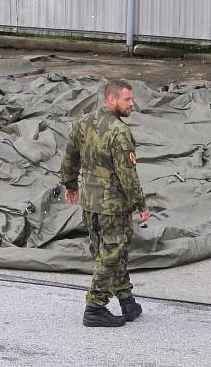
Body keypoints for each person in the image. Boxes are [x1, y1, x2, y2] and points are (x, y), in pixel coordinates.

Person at [60, 79, 151, 327]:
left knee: (110, 251)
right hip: (113, 206)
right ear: (111, 100)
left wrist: (69, 184)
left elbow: (70, 155)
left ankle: (126, 301)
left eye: (132, 99)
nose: (132, 104)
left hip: (90, 203)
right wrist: (141, 205)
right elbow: (128, 175)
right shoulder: (119, 132)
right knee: (111, 253)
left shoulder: (84, 122)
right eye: (127, 100)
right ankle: (95, 306)